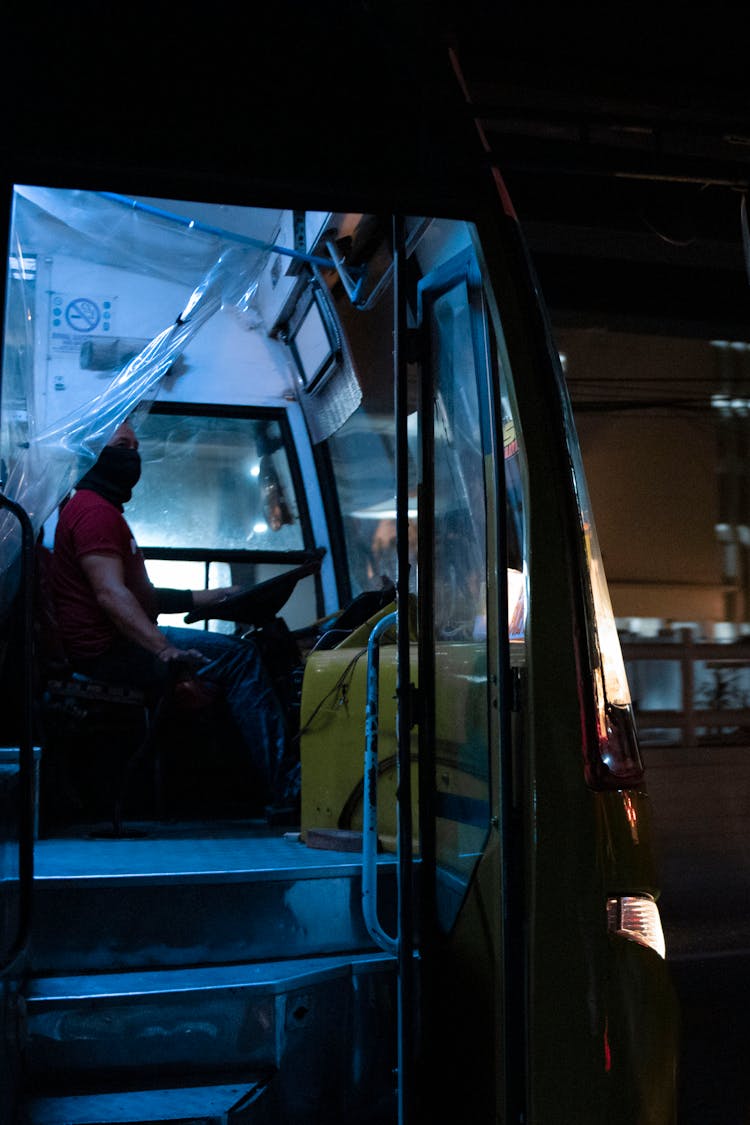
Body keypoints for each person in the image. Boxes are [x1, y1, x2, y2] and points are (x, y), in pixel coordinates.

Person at [50, 420, 297, 814]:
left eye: (135, 447)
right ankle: (288, 790)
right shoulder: (94, 513)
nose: (132, 456)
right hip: (108, 652)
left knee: (232, 651)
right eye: (120, 447)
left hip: (118, 641)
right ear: (94, 454)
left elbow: (136, 597)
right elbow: (111, 596)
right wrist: (164, 649)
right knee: (241, 657)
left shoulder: (99, 510)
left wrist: (206, 596)